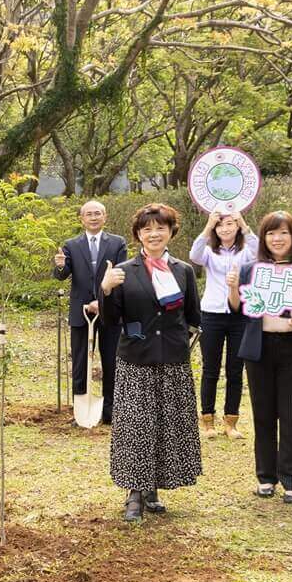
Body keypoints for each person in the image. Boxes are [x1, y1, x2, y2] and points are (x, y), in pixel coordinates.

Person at [99, 203, 202, 522]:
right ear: (138, 235)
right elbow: (110, 318)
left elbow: (193, 317)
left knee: (165, 425)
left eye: (161, 227)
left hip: (172, 360)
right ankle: (134, 493)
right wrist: (105, 289)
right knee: (135, 428)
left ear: (171, 231)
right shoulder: (123, 271)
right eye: (147, 229)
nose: (154, 233)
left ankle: (153, 486)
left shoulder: (183, 270)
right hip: (135, 360)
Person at [229, 211, 292, 505]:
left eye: (283, 233)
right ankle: (266, 477)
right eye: (270, 233)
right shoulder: (250, 269)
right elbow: (238, 309)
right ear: (263, 238)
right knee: (263, 415)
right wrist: (233, 288)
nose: (277, 239)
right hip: (259, 349)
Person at [53, 200, 128, 424]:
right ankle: (80, 411)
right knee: (80, 362)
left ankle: (109, 411)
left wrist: (102, 300)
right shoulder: (71, 245)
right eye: (89, 214)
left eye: (98, 213)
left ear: (105, 217)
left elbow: (122, 275)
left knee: (111, 361)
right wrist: (59, 265)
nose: (94, 218)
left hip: (110, 310)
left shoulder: (117, 243)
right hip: (80, 311)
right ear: (82, 219)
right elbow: (62, 275)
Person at [189, 210, 256, 439]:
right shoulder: (209, 251)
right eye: (221, 225)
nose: (225, 229)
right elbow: (194, 254)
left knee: (235, 369)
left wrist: (244, 224)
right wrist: (208, 226)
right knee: (210, 369)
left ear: (236, 227)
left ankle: (231, 422)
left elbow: (260, 253)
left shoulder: (246, 250)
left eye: (230, 224)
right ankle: (207, 421)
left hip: (239, 313)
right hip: (212, 313)